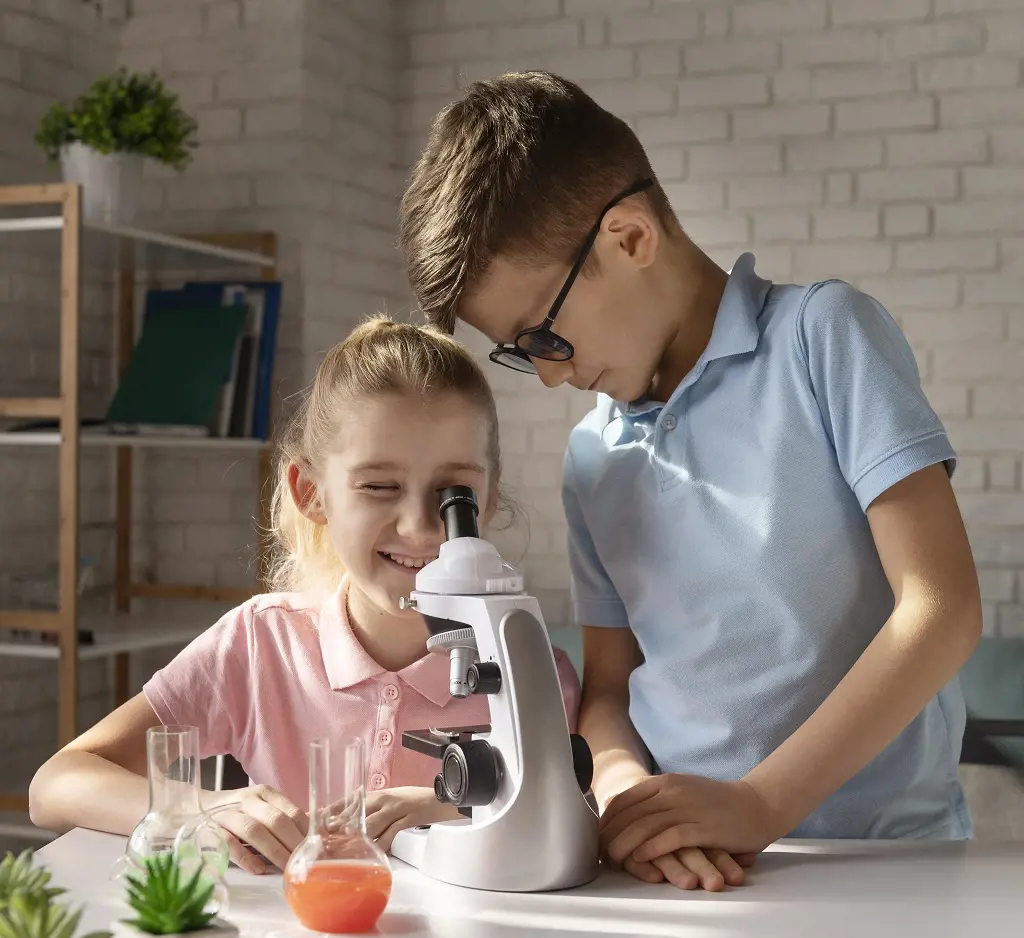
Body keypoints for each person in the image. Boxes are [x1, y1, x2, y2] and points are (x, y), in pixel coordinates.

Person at [396, 71, 982, 892]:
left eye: (543, 337)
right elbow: (607, 690)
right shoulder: (593, 458)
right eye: (518, 353)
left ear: (630, 238)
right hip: (683, 872)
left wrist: (758, 802)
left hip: (882, 864)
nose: (549, 377)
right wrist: (626, 791)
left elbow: (942, 609)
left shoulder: (823, 338)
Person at [29, 316, 582, 874]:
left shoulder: (529, 669)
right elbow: (56, 784)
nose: (419, 527)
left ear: (486, 498)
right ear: (311, 493)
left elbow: (584, 820)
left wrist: (460, 806)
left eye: (453, 493)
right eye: (379, 486)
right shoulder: (260, 644)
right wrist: (203, 809)